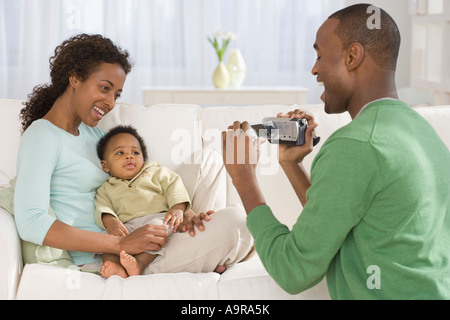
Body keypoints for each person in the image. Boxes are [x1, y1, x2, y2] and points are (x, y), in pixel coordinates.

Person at [222, 4, 450, 300]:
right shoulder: (422, 132)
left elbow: (292, 270)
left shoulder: (355, 144)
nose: (314, 69)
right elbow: (343, 223)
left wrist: (243, 179)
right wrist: (291, 165)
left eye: (319, 55)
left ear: (352, 56)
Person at [14, 33, 253, 274]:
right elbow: (30, 222)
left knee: (212, 155)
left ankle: (204, 239)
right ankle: (214, 251)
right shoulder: (42, 136)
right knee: (239, 222)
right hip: (118, 258)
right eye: (105, 88)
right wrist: (120, 243)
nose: (110, 102)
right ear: (75, 77)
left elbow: (141, 179)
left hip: (147, 228)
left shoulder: (93, 135)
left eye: (116, 95)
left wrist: (185, 212)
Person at [94, 125, 191, 278]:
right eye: (120, 153)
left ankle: (139, 264)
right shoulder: (106, 188)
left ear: (143, 159)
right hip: (126, 228)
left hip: (156, 219)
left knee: (159, 231)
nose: (129, 156)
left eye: (135, 152)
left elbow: (174, 186)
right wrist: (110, 220)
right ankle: (116, 267)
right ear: (106, 166)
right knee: (106, 242)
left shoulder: (155, 172)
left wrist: (177, 208)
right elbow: (102, 206)